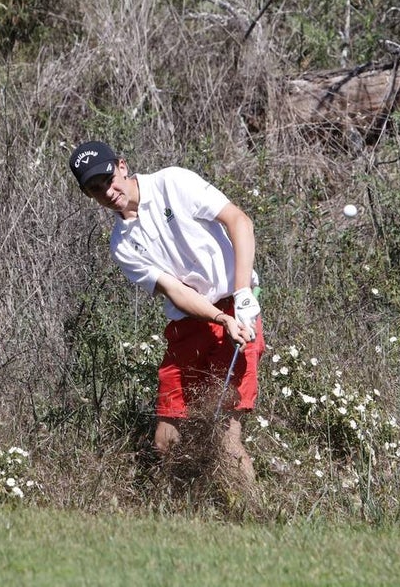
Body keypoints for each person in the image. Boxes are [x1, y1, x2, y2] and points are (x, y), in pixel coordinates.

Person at [69, 140, 265, 485]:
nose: (108, 191)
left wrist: (243, 292)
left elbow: (239, 220)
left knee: (224, 434)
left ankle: (256, 517)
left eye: (108, 178)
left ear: (122, 166)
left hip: (238, 303)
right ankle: (174, 510)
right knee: (165, 439)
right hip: (192, 323)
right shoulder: (122, 244)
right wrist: (219, 318)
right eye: (95, 189)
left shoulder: (172, 183)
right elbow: (176, 291)